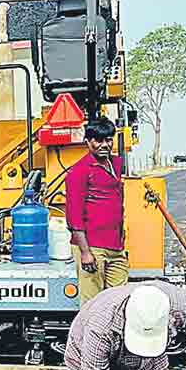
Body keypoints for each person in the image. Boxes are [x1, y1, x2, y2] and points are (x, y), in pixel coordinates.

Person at [65, 119, 128, 301]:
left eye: (108, 140)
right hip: (92, 248)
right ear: (88, 142)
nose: (104, 145)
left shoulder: (115, 164)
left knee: (118, 303)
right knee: (92, 307)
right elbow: (74, 218)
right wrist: (85, 252)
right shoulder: (79, 172)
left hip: (116, 248)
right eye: (98, 141)